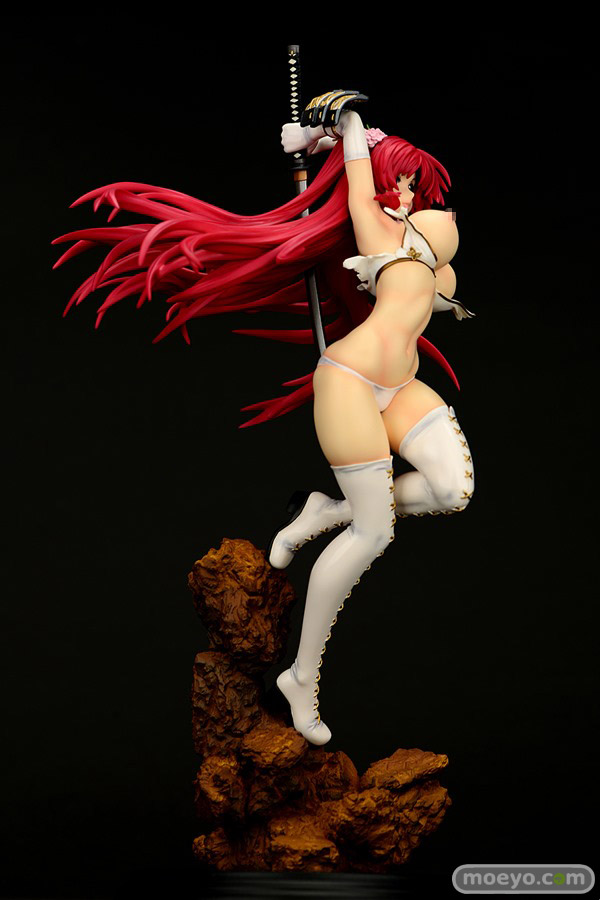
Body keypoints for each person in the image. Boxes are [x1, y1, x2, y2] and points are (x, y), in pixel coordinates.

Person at [53, 91, 474, 747]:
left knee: (452, 490)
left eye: (415, 185)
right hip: (351, 382)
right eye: (401, 181)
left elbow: (431, 260)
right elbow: (358, 151)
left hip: (401, 386)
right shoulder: (374, 226)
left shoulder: (425, 241)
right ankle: (302, 677)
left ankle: (324, 512)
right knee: (374, 534)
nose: (409, 193)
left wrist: (323, 142)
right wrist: (335, 128)